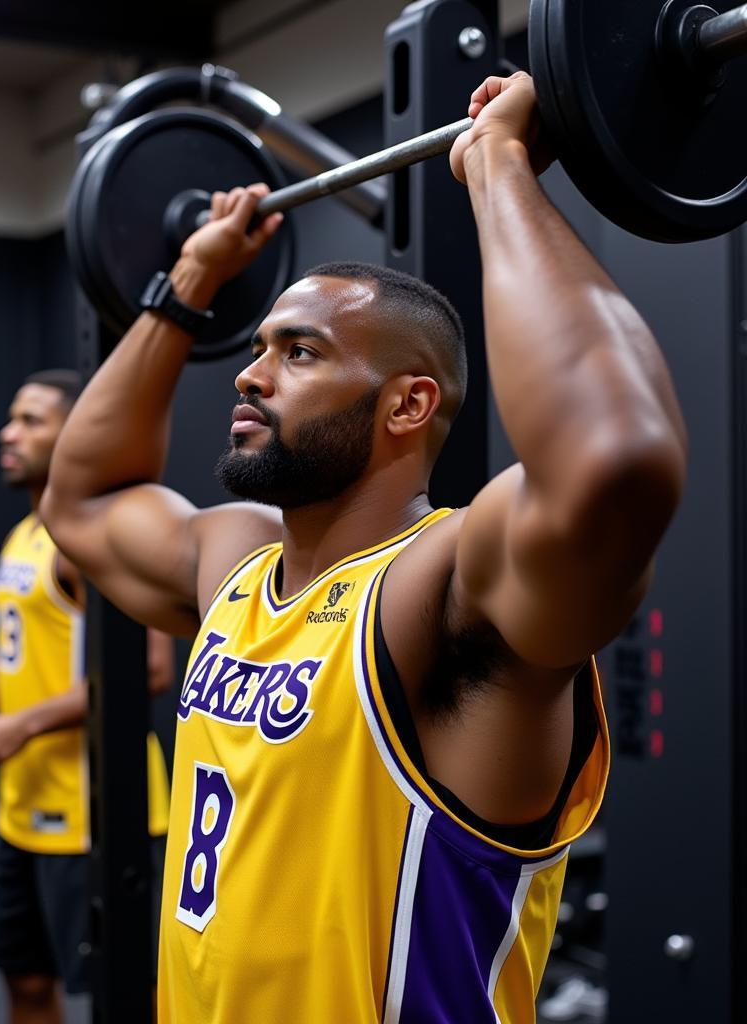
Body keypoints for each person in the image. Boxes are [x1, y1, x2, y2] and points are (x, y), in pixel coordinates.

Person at [40, 72, 688, 1023]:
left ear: (409, 404)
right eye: (257, 348)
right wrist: (191, 284)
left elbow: (612, 461)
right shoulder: (237, 568)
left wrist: (498, 166)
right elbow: (82, 496)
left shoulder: (444, 590)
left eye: (299, 353)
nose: (251, 375)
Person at [0, 370, 172, 1024]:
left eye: (30, 420)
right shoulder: (27, 533)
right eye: (11, 418)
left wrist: (24, 723)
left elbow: (150, 668)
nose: (9, 432)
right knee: (25, 985)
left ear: (77, 432)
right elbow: (14, 646)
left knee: (125, 997)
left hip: (96, 818)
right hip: (22, 812)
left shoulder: (94, 535)